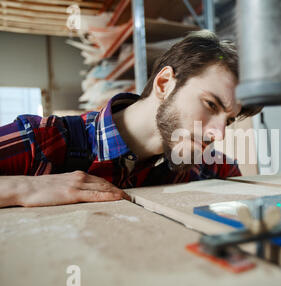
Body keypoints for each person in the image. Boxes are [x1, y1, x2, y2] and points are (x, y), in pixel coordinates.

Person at [0, 30, 262, 208]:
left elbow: (234, 180)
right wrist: (23, 187)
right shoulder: (41, 141)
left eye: (228, 120)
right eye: (210, 104)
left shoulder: (199, 166)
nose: (219, 134)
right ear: (164, 84)